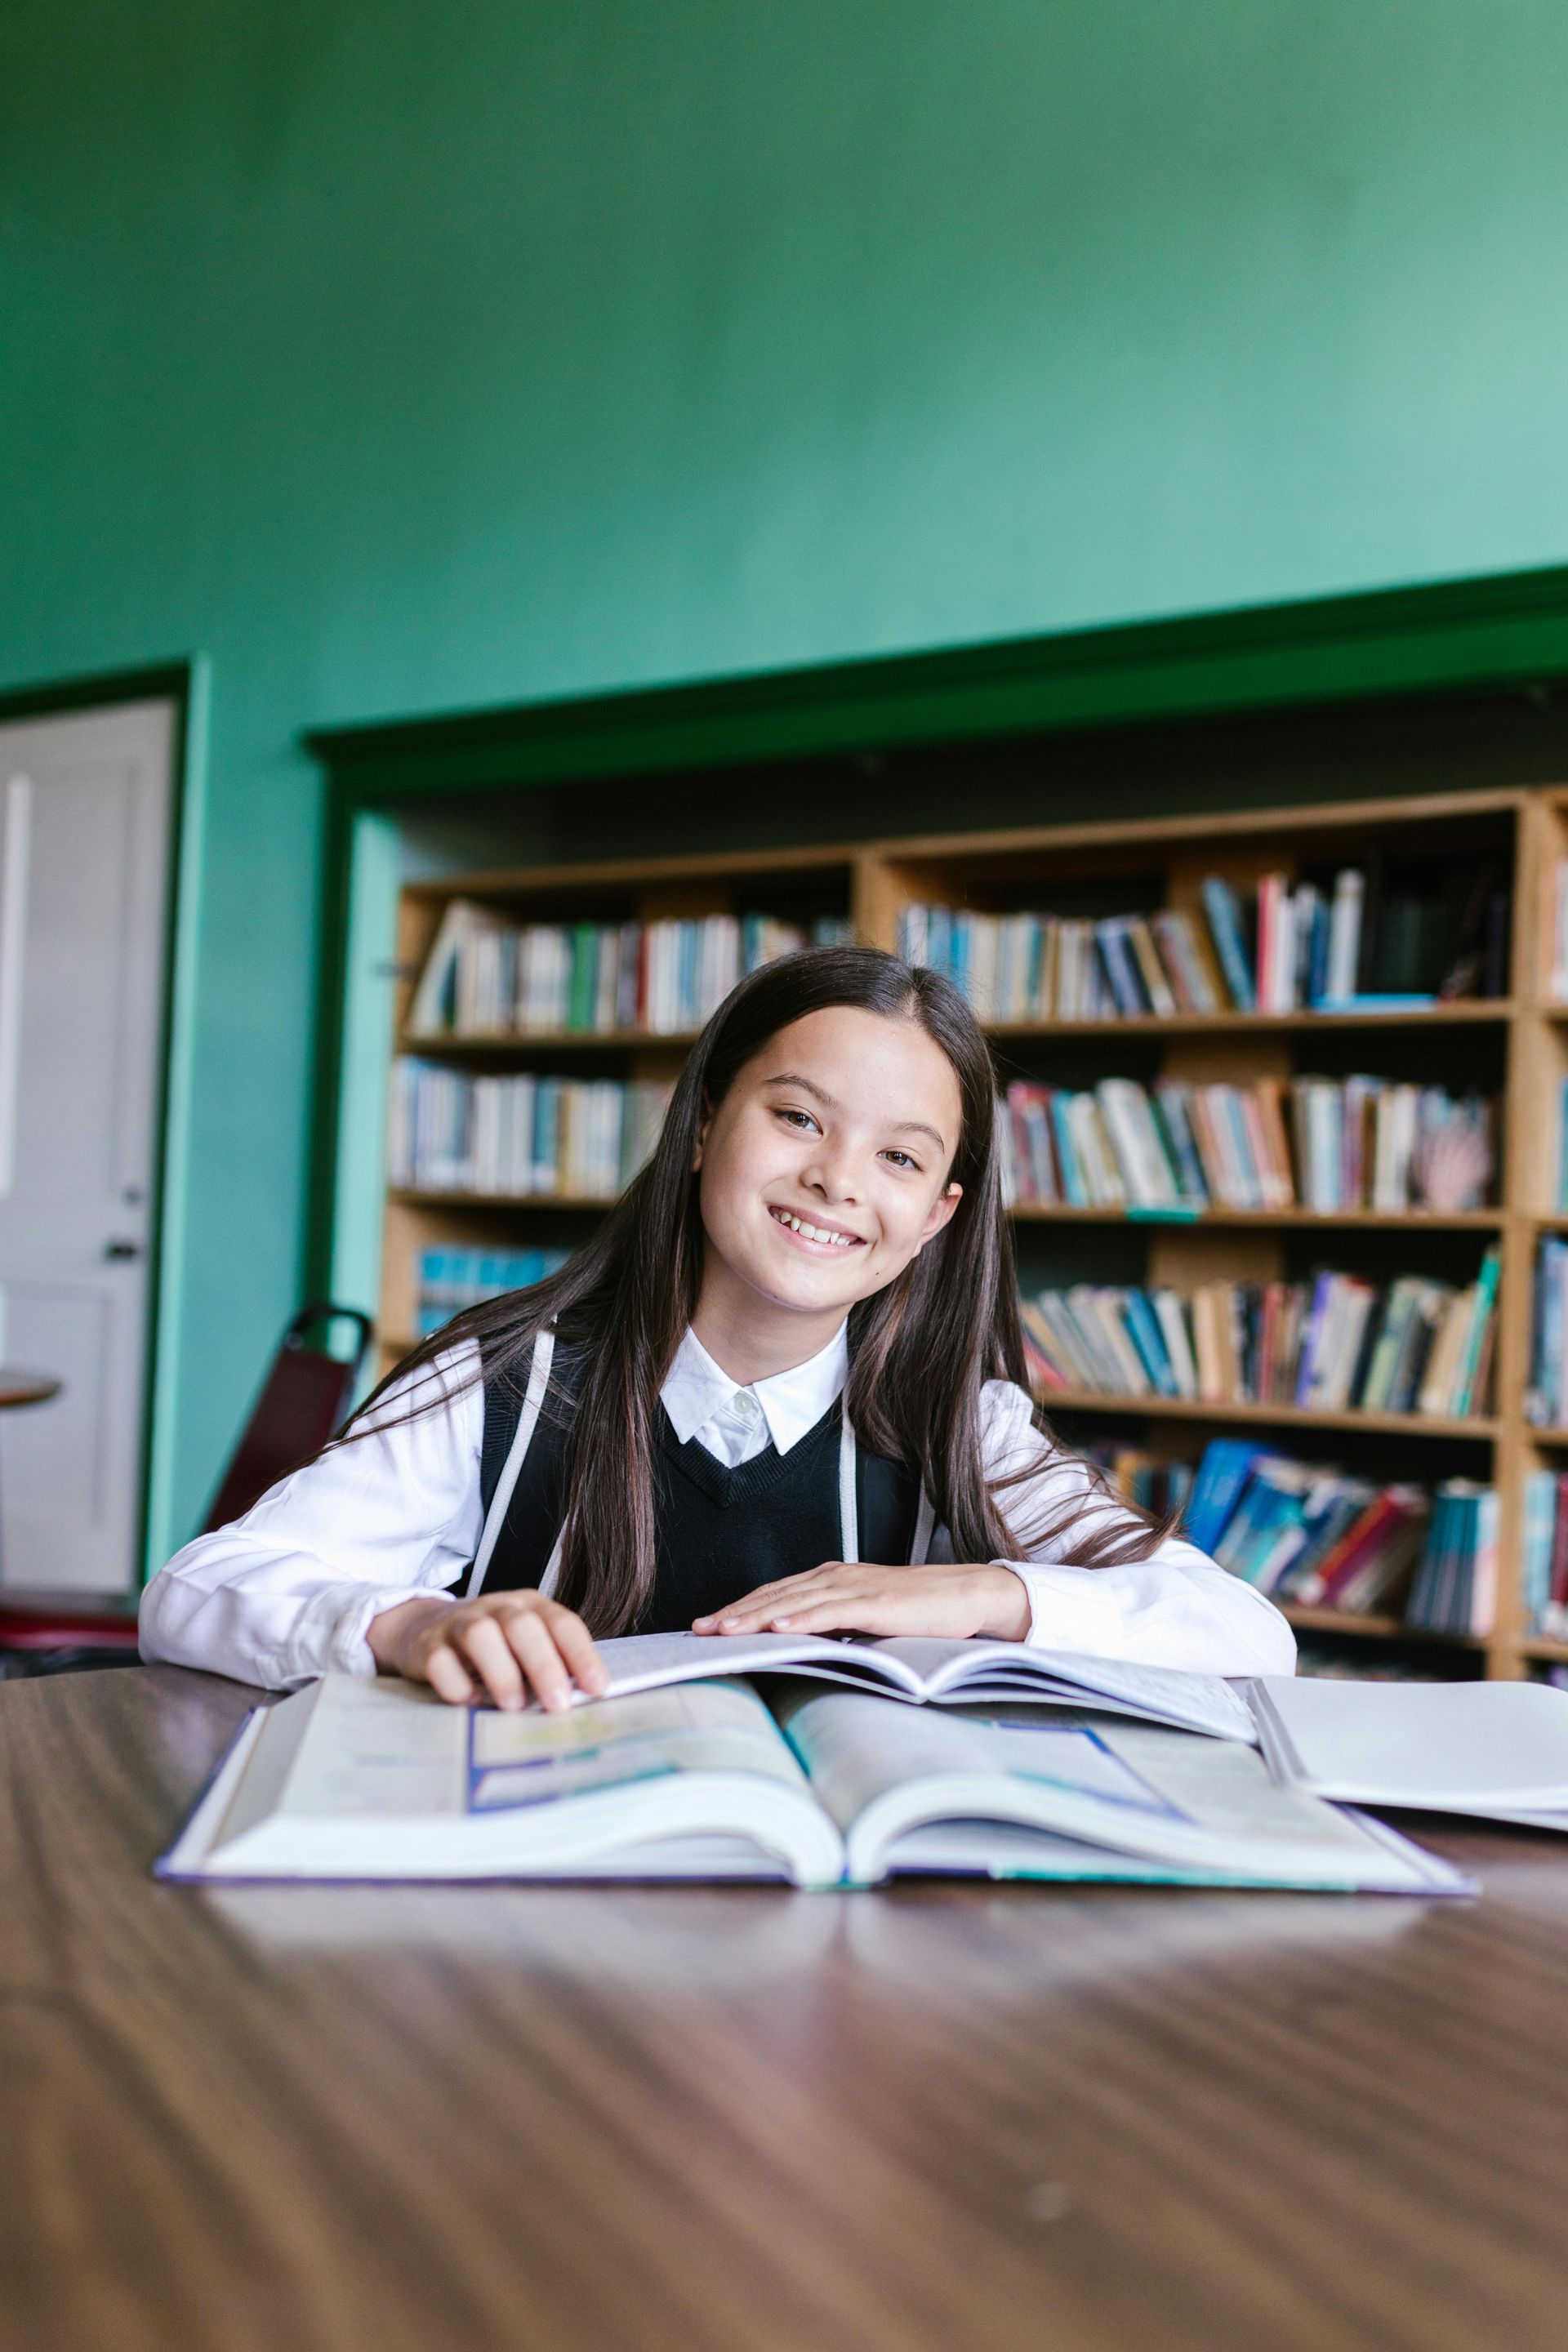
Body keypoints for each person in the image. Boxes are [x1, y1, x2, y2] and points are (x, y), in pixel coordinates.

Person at [140, 947, 1294, 1707]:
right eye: (797, 1117)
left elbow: (1247, 1635)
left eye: (900, 1156)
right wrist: (402, 1628)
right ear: (701, 1127)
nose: (840, 1180)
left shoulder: (961, 1423)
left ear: (938, 1217)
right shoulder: (503, 1382)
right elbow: (195, 1592)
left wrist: (982, 1594)